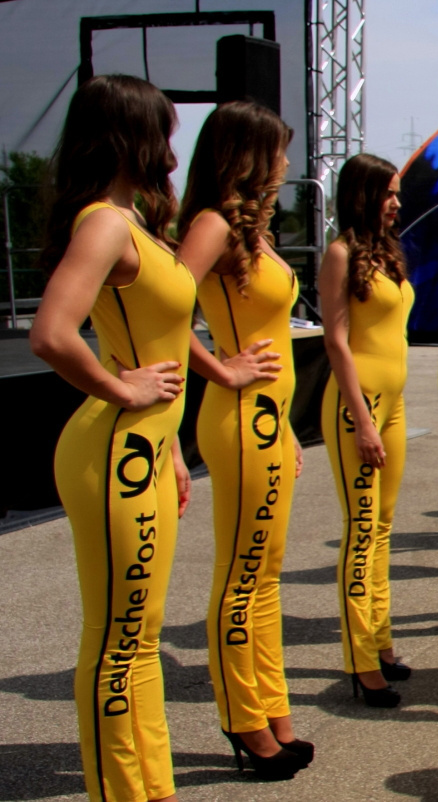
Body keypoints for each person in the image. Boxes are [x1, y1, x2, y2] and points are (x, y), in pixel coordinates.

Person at [33, 74, 195, 802]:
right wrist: (122, 388)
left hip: (145, 453)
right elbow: (51, 334)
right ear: (132, 134)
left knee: (142, 632)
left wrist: (169, 452)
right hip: (112, 450)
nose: (171, 144)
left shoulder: (134, 222)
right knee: (117, 637)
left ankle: (149, 787)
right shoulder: (104, 222)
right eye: (161, 127)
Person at [176, 100, 315, 776]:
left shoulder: (247, 231)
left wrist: (286, 426)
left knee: (266, 577)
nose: (287, 164)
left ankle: (272, 711)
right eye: (278, 151)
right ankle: (244, 722)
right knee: (242, 576)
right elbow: (164, 311)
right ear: (248, 156)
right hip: (236, 420)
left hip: (267, 424)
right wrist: (220, 368)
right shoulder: (210, 226)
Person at [319, 153, 414, 709]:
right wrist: (361, 420)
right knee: (361, 532)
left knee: (381, 528)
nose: (396, 203)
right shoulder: (340, 254)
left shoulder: (385, 253)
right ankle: (360, 661)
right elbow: (336, 341)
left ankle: (379, 642)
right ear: (363, 194)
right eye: (388, 193)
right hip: (361, 407)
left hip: (395, 402)